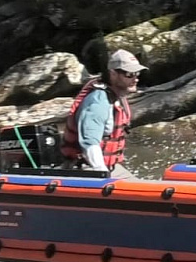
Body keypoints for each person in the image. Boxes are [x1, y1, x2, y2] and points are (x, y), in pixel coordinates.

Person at [61, 49, 146, 178]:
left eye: (137, 73)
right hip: (87, 167)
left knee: (142, 193)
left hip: (110, 167)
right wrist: (101, 173)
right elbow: (89, 143)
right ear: (113, 74)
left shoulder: (118, 97)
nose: (135, 79)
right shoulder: (98, 101)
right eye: (129, 74)